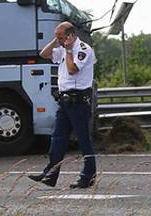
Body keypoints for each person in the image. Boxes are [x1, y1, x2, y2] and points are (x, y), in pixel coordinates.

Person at [29, 21, 97, 188]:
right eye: (57, 36)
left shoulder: (83, 49)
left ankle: (88, 175)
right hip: (65, 101)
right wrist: (56, 41)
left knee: (83, 140)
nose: (58, 40)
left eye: (60, 36)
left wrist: (67, 50)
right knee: (58, 138)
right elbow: (43, 54)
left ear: (70, 35)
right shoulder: (61, 47)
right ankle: (50, 174)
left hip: (79, 100)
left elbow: (73, 69)